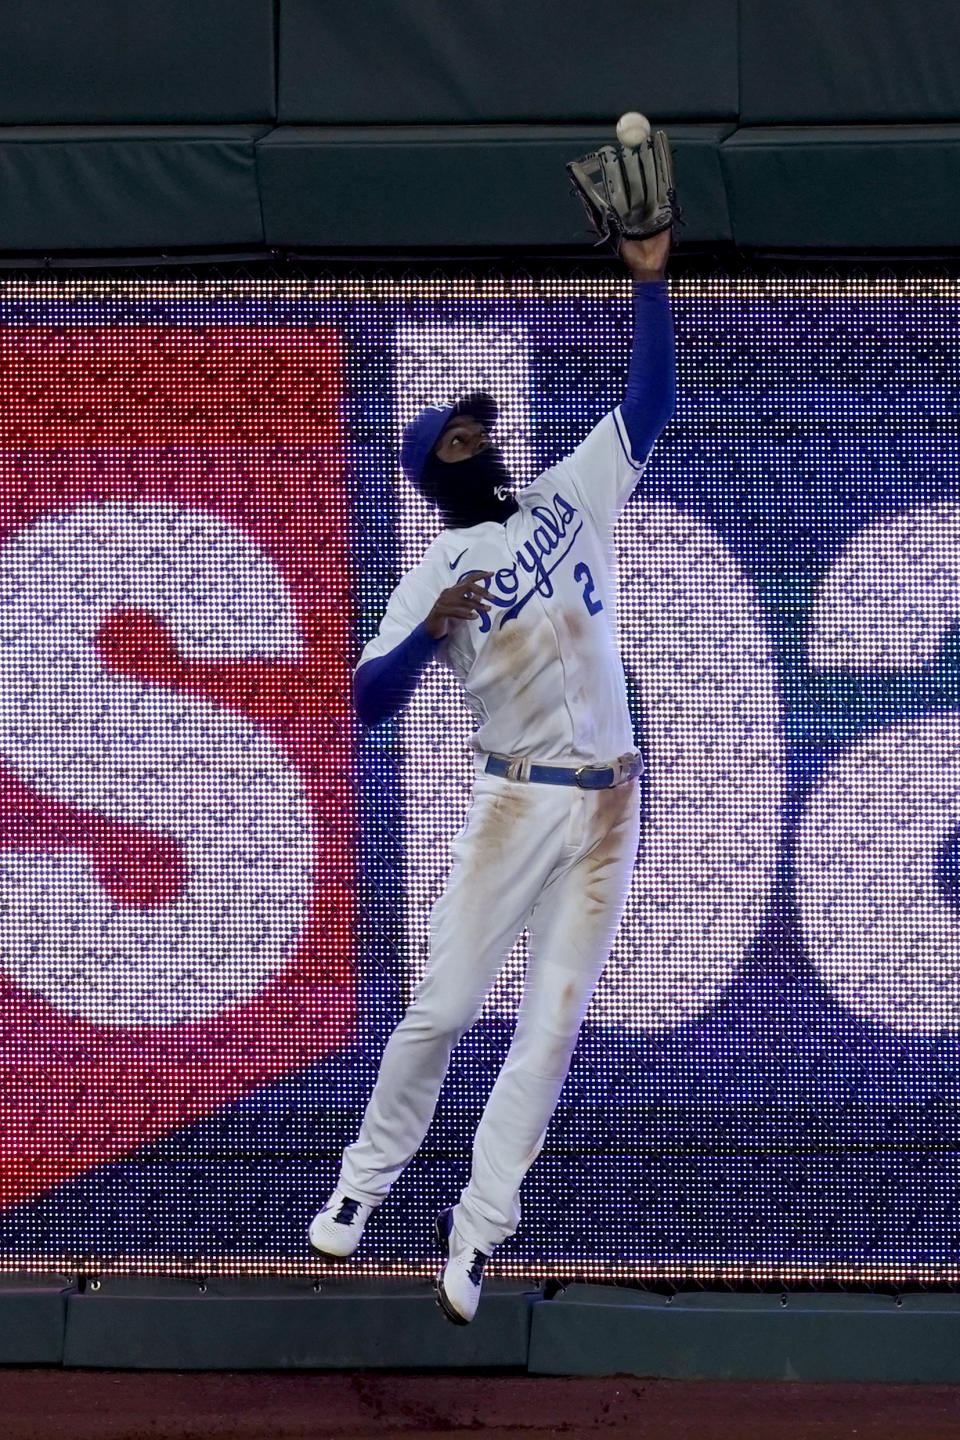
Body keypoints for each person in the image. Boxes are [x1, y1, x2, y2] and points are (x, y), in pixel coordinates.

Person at [309, 230, 676, 1324]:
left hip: (610, 802)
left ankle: (473, 1235)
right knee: (442, 1009)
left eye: (481, 425)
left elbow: (650, 403)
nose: (481, 439)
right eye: (458, 436)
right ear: (435, 471)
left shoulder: (570, 495)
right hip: (514, 799)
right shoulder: (435, 566)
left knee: (550, 1032)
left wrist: (650, 278)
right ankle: (361, 1185)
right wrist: (428, 632)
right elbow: (367, 700)